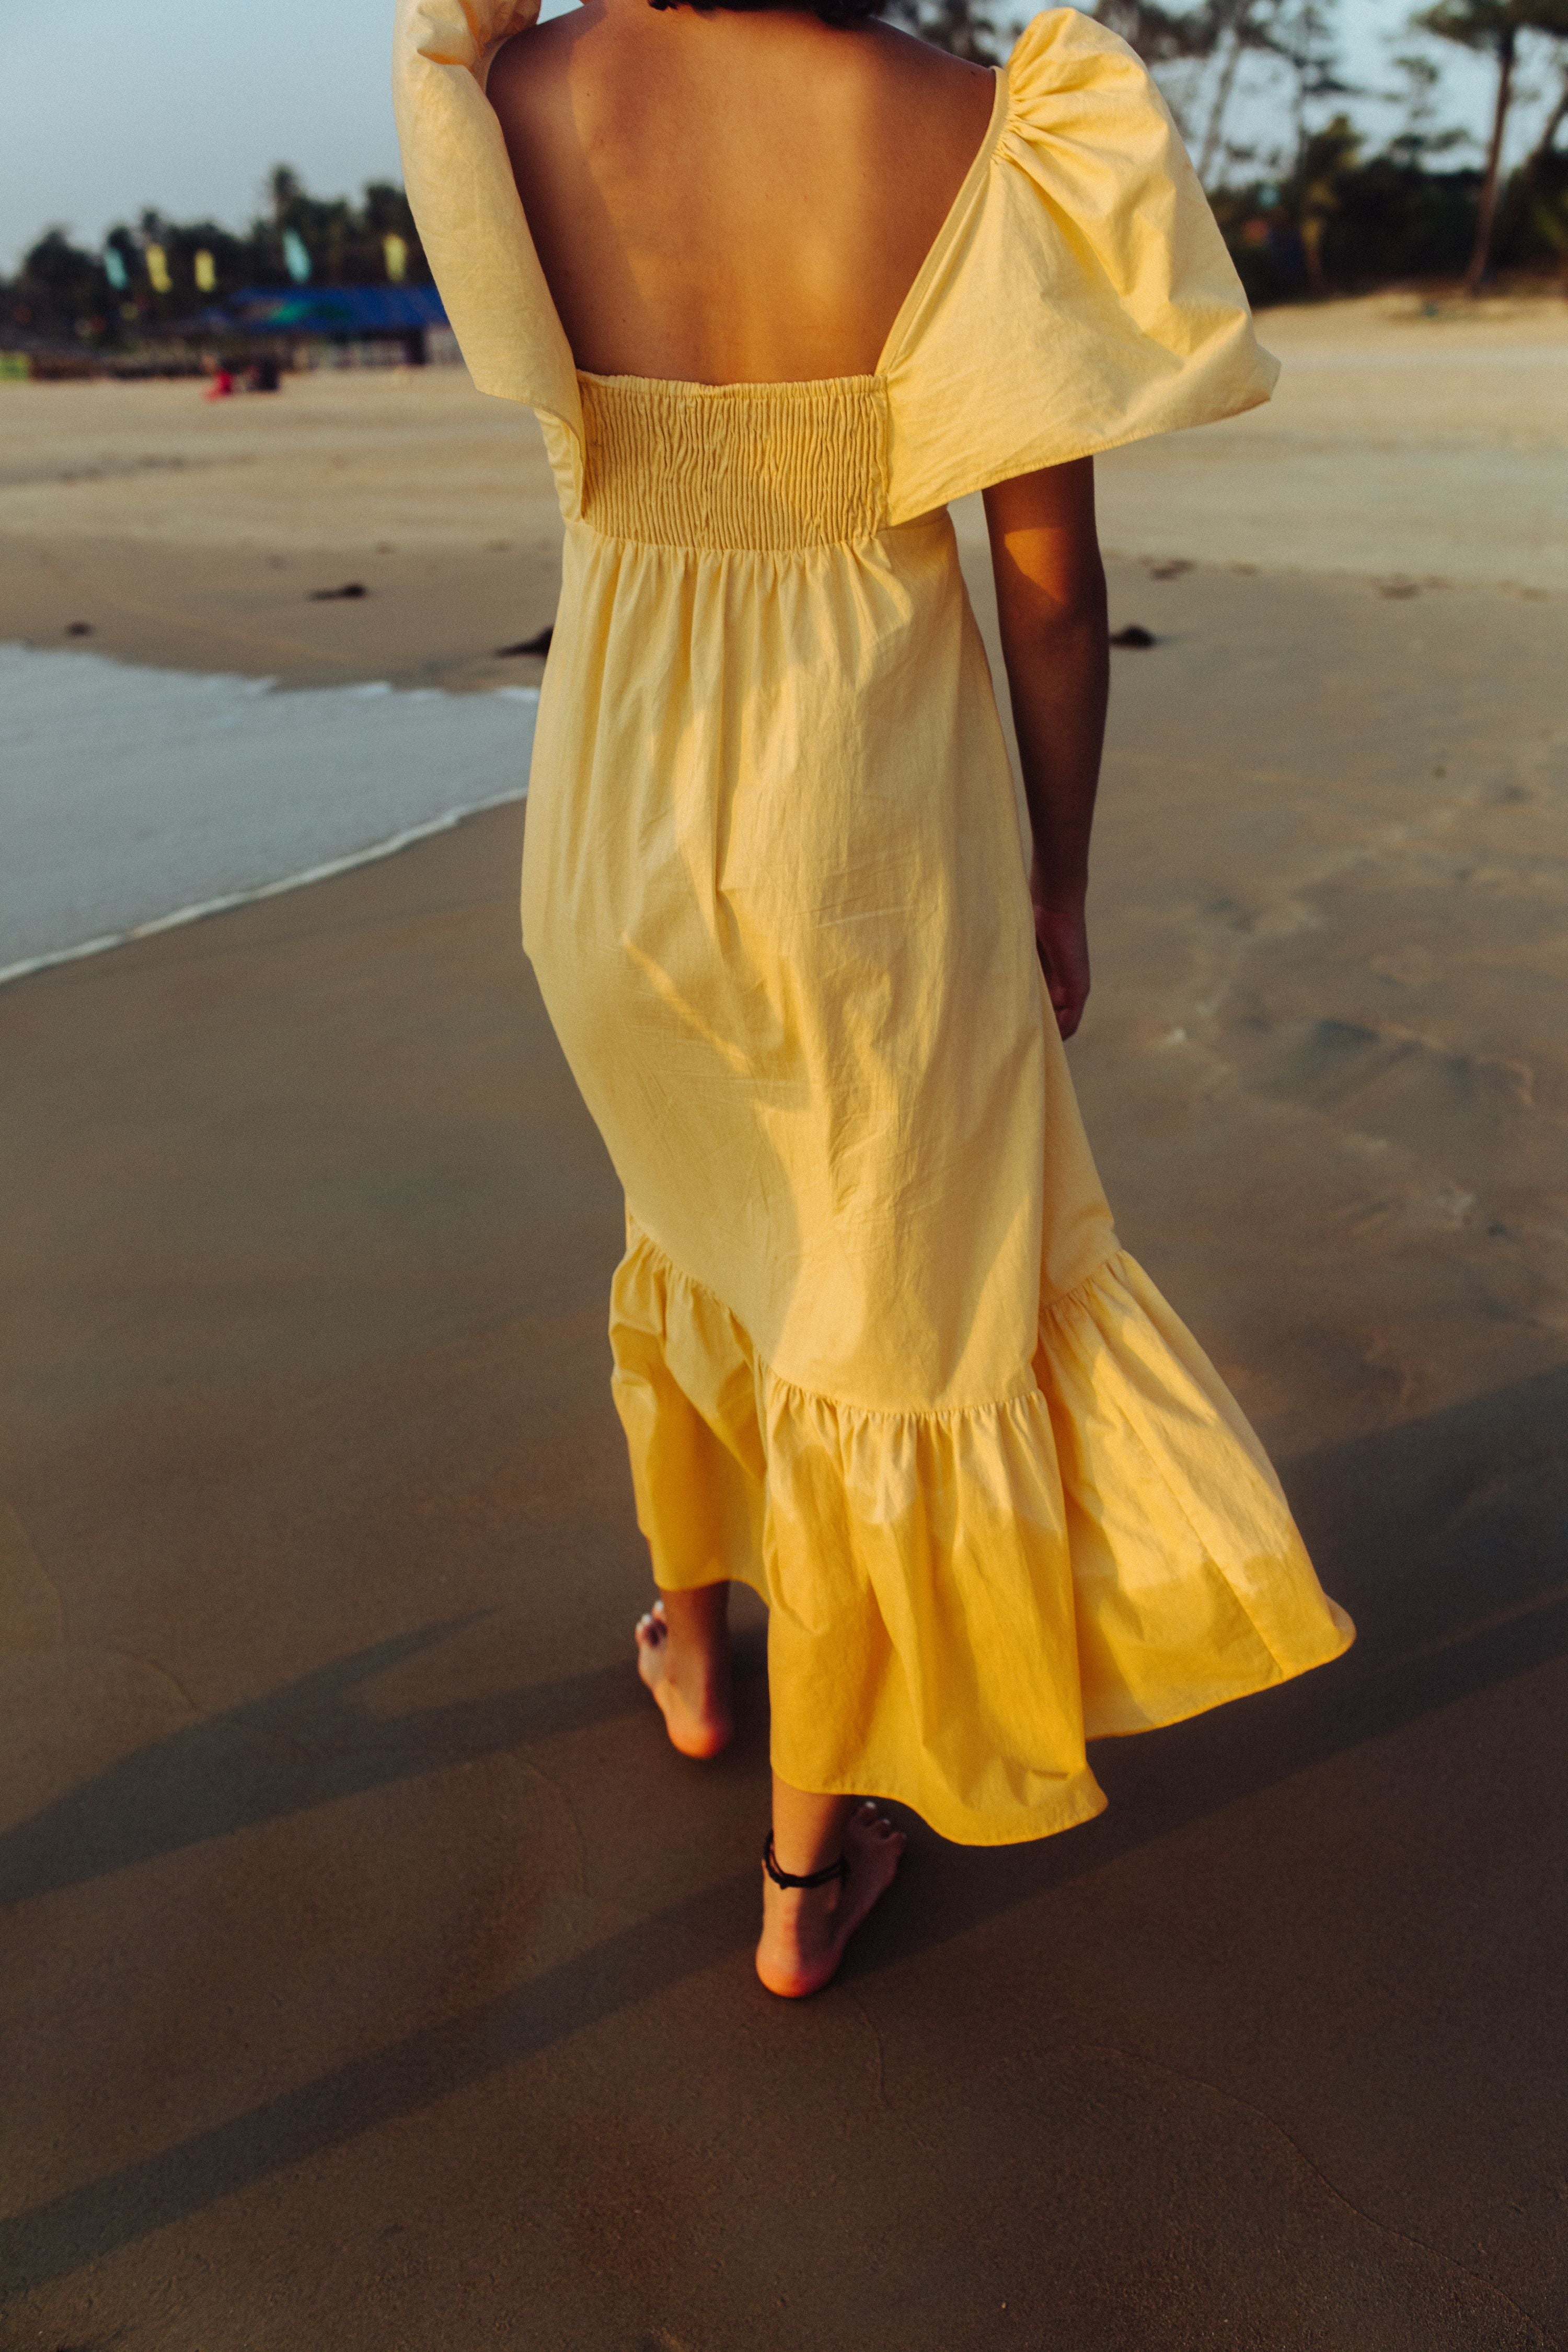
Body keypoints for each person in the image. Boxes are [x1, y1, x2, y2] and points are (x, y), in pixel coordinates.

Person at [393, 0, 1354, 1999]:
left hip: (613, 829)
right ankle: (802, 1881)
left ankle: (688, 1649)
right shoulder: (975, 124)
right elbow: (1051, 589)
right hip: (868, 848)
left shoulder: (510, 82)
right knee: (871, 1313)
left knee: (696, 1226)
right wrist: (1061, 867)